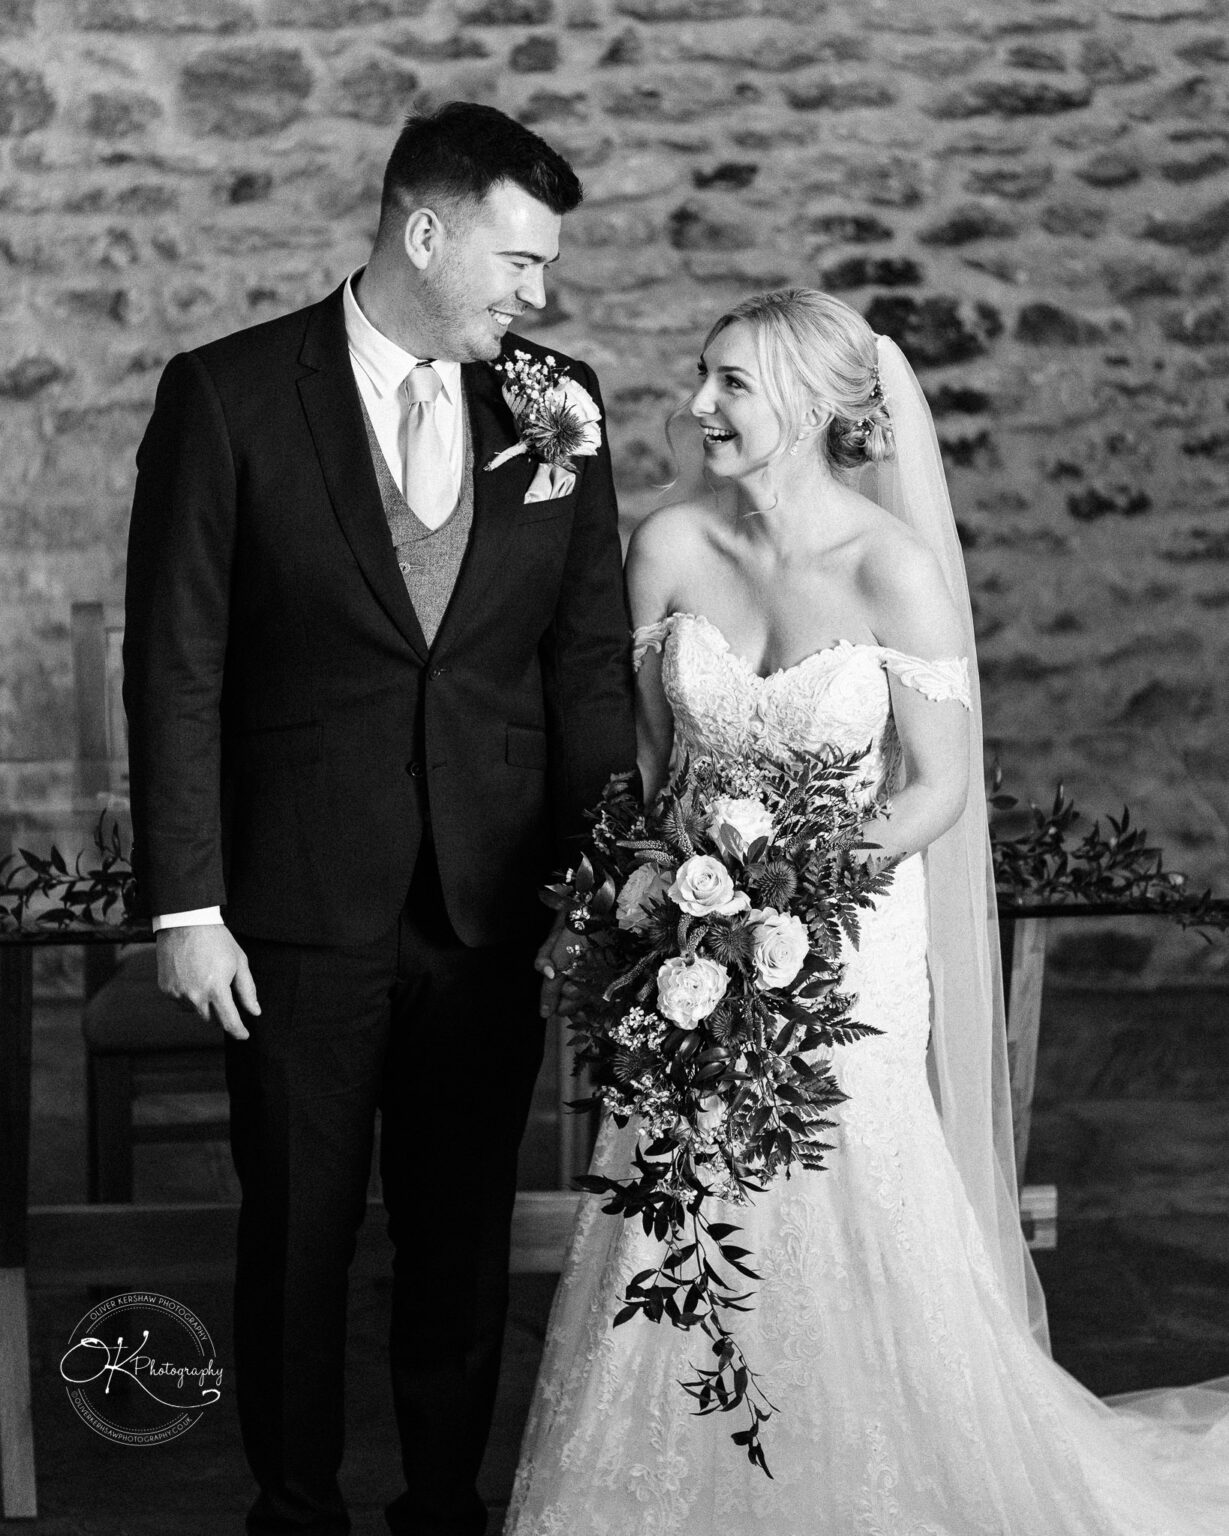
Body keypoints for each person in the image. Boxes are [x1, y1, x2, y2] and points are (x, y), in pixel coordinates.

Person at [504, 289, 1229, 1534]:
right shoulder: (668, 549)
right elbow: (648, 767)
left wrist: (795, 885)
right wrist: (674, 899)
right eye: (700, 377)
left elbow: (938, 786)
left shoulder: (892, 568)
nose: (696, 408)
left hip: (844, 942)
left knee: (845, 1198)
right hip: (692, 944)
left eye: (729, 383)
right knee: (684, 1197)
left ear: (807, 401)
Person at [122, 102, 636, 1536]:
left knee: (458, 1235)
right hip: (292, 913)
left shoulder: (559, 401)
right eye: (518, 262)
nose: (538, 296)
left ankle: (441, 1508)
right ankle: (293, 1508)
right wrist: (187, 908)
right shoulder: (226, 396)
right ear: (425, 230)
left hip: (491, 910)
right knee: (297, 1231)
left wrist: (607, 892)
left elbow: (584, 664)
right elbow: (175, 660)